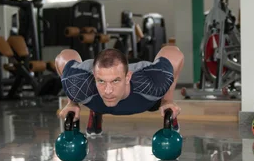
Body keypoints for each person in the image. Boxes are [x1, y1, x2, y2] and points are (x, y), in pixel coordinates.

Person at [54, 46, 184, 135]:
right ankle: (96, 112)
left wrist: (167, 100)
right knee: (84, 92)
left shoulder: (154, 81)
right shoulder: (77, 85)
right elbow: (63, 56)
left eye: (115, 81)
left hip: (146, 100)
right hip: (95, 98)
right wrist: (72, 102)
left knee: (159, 97)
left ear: (128, 77)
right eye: (101, 81)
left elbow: (175, 53)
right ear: (94, 77)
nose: (108, 91)